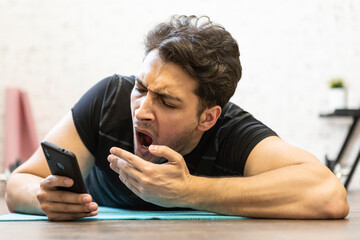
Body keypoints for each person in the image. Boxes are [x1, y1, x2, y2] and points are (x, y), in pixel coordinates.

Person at [6, 15, 349, 221]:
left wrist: (187, 191)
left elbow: (328, 195)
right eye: (141, 87)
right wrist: (43, 197)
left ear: (208, 117)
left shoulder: (231, 131)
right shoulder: (108, 99)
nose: (141, 110)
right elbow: (19, 184)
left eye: (167, 102)